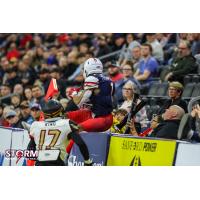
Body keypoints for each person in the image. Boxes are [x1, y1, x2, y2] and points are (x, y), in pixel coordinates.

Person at [27, 99, 93, 166]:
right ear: (60, 112)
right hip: (57, 162)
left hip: (40, 163)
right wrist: (87, 161)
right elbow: (80, 143)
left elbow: (30, 148)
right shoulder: (67, 123)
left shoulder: (35, 125)